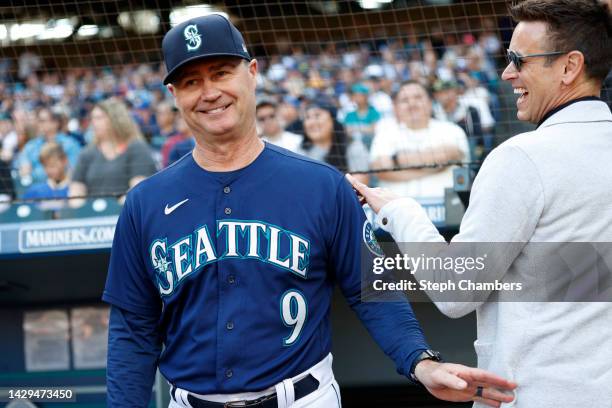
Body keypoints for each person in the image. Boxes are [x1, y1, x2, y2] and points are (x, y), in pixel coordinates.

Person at [103, 14, 517, 408]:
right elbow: (133, 329)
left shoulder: (321, 185)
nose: (209, 92)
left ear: (252, 73)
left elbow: (369, 288)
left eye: (221, 73)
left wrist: (420, 361)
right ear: (174, 95)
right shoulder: (146, 203)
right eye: (192, 81)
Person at [348, 1, 612, 406]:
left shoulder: (522, 157)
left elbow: (455, 290)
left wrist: (400, 212)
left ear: (569, 66)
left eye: (518, 60)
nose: (508, 73)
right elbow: (581, 269)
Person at [370, 81, 470, 201]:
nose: (412, 103)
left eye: (418, 97)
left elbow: (448, 155)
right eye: (404, 100)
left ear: (430, 103)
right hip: (397, 212)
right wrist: (432, 168)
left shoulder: (452, 130)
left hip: (446, 211)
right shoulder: (384, 134)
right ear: (396, 107)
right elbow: (381, 170)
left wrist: (396, 160)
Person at [69, 97, 157, 206]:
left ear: (115, 119)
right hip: (93, 217)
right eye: (92, 118)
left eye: (99, 118)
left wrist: (113, 209)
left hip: (127, 214)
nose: (93, 122)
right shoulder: (86, 153)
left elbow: (138, 189)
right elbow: (76, 188)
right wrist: (81, 208)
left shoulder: (137, 148)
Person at [17, 107, 81, 185]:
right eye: (39, 121)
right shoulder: (31, 145)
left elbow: (74, 170)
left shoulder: (70, 144)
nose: (39, 124)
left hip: (62, 187)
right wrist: (24, 168)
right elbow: (23, 167)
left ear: (55, 123)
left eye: (42, 121)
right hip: (36, 188)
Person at [22, 142, 70, 210]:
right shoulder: (34, 191)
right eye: (45, 166)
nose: (49, 170)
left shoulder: (75, 189)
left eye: (53, 165)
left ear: (64, 160)